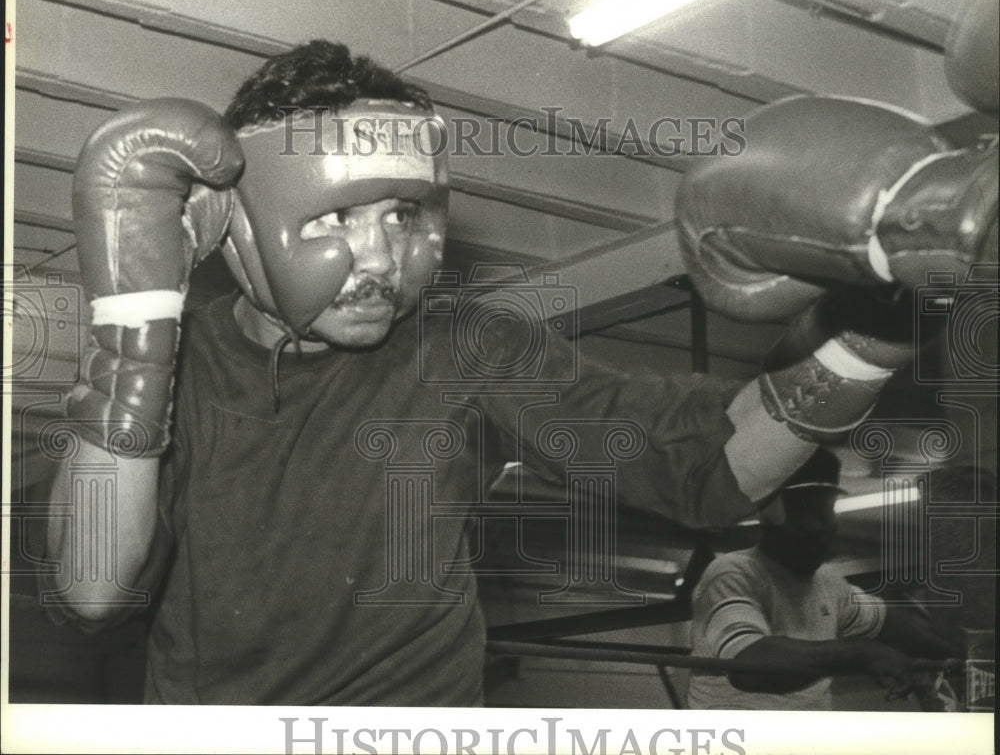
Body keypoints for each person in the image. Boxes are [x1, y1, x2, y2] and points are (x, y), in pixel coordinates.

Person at [42, 40, 994, 705]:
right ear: (240, 217)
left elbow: (706, 470)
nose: (380, 258)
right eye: (336, 216)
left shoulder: (462, 347)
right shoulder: (188, 365)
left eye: (403, 216)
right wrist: (133, 332)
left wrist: (874, 328)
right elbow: (92, 590)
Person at [686, 449, 963, 710]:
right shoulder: (732, 574)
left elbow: (889, 624)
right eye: (809, 510)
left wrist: (962, 655)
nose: (825, 525)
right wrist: (861, 654)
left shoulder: (829, 585)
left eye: (828, 509)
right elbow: (749, 666)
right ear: (774, 513)